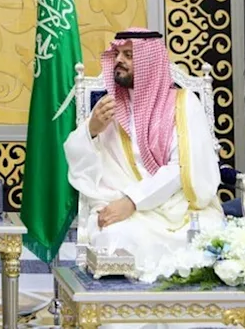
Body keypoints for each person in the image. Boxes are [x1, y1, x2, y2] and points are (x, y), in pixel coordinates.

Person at [64, 29, 224, 278]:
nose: (119, 60)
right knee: (117, 237)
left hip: (176, 206)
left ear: (150, 63)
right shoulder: (109, 107)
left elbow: (181, 166)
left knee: (209, 233)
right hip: (124, 206)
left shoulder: (184, 104)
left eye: (128, 55)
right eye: (117, 53)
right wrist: (91, 130)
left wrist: (133, 201)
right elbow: (78, 155)